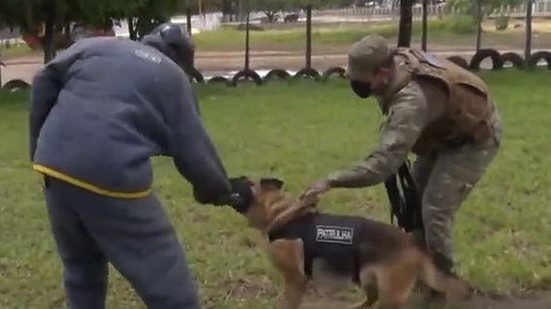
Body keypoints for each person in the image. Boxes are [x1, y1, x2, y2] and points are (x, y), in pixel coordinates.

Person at [29, 23, 242, 309]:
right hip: (110, 170)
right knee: (171, 287)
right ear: (183, 58)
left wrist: (41, 149)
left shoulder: (97, 46)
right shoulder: (172, 76)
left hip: (53, 166)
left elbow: (44, 80)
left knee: (82, 273)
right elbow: (194, 148)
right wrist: (218, 191)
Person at [301, 34, 502, 299]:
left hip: (473, 139)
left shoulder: (412, 99)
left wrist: (332, 180)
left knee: (435, 207)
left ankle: (441, 283)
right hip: (440, 134)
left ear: (383, 71)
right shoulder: (391, 69)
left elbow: (384, 164)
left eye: (363, 80)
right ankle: (416, 269)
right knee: (413, 203)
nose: (359, 86)